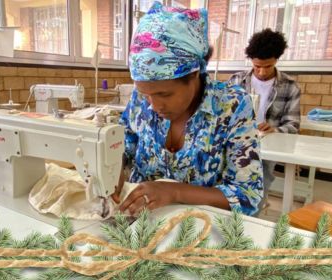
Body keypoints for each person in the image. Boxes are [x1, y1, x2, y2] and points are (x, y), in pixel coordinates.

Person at [112, 1, 263, 217]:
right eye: (146, 94)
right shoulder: (139, 99)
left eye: (164, 94)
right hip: (140, 220)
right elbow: (122, 144)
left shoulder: (232, 106)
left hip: (199, 228)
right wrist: (113, 168)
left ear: (194, 74)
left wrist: (174, 192)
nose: (153, 106)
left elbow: (248, 196)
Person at [228, 29, 301, 210]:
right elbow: (224, 115)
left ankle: (254, 215)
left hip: (267, 149)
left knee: (257, 191)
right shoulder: (237, 80)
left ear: (277, 59)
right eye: (256, 66)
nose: (261, 72)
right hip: (236, 144)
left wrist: (274, 129)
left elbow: (293, 125)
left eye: (267, 66)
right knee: (230, 189)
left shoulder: (290, 86)